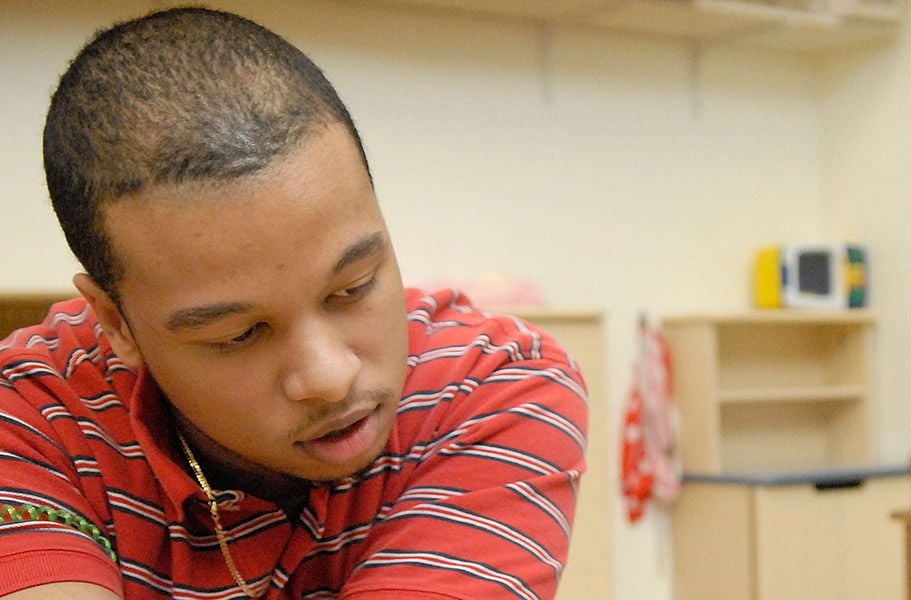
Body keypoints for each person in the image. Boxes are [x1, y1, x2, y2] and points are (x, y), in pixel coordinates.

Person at [0, 7, 587, 599]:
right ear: (116, 322)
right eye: (238, 334)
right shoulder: (30, 414)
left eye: (352, 287)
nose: (330, 378)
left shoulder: (492, 389)